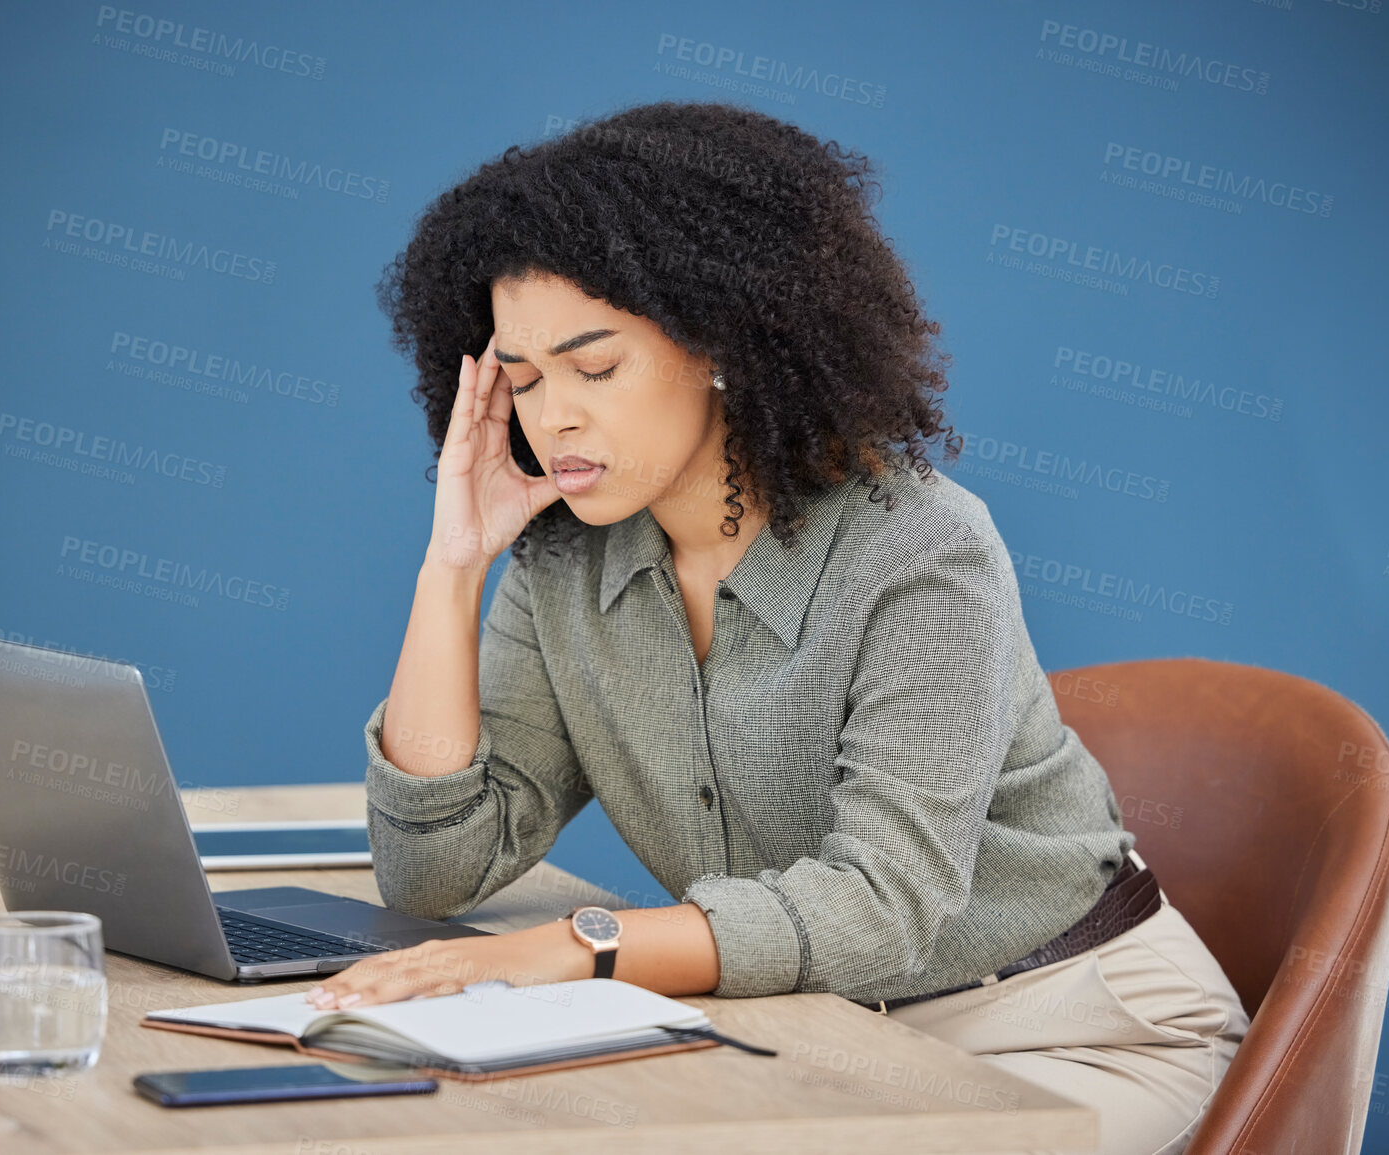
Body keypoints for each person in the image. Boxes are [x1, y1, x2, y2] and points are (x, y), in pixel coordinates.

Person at [307, 101, 1248, 1155]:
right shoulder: (566, 556)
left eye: (595, 367)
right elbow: (435, 875)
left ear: (720, 343)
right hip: (815, 1036)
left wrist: (580, 945)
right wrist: (455, 564)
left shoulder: (924, 548)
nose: (552, 416)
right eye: (521, 381)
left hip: (1068, 1033)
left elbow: (882, 904)